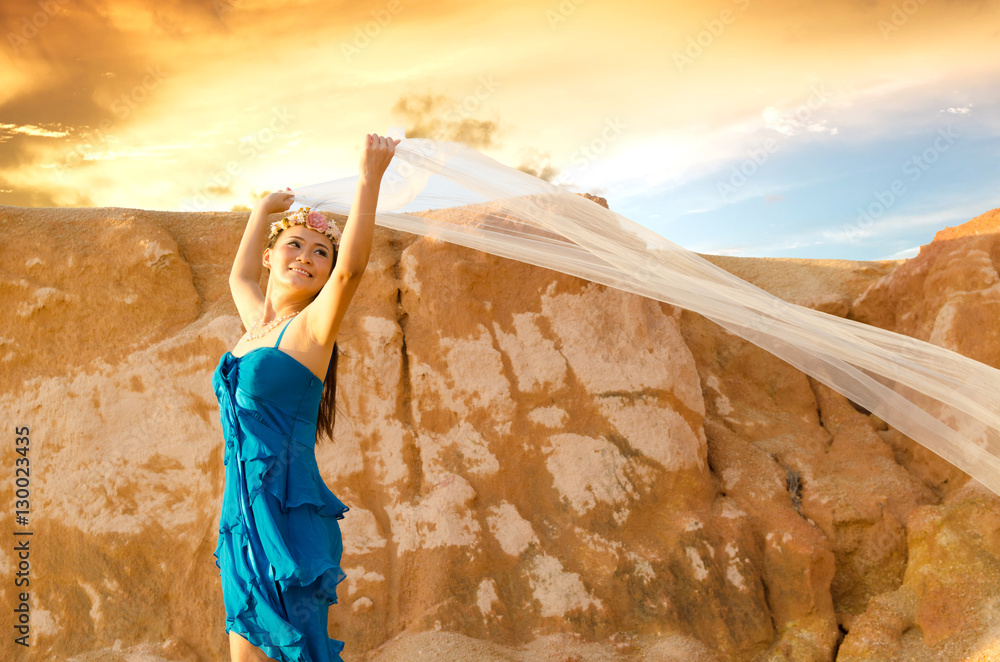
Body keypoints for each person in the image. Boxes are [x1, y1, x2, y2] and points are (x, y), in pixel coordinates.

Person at [211, 133, 400, 662]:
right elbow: (238, 274)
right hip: (241, 510)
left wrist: (369, 179)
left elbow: (352, 270)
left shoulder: (312, 330)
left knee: (294, 650)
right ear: (272, 256)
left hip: (286, 509)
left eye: (321, 252)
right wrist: (263, 209)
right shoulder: (256, 327)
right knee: (245, 654)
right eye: (294, 245)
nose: (307, 257)